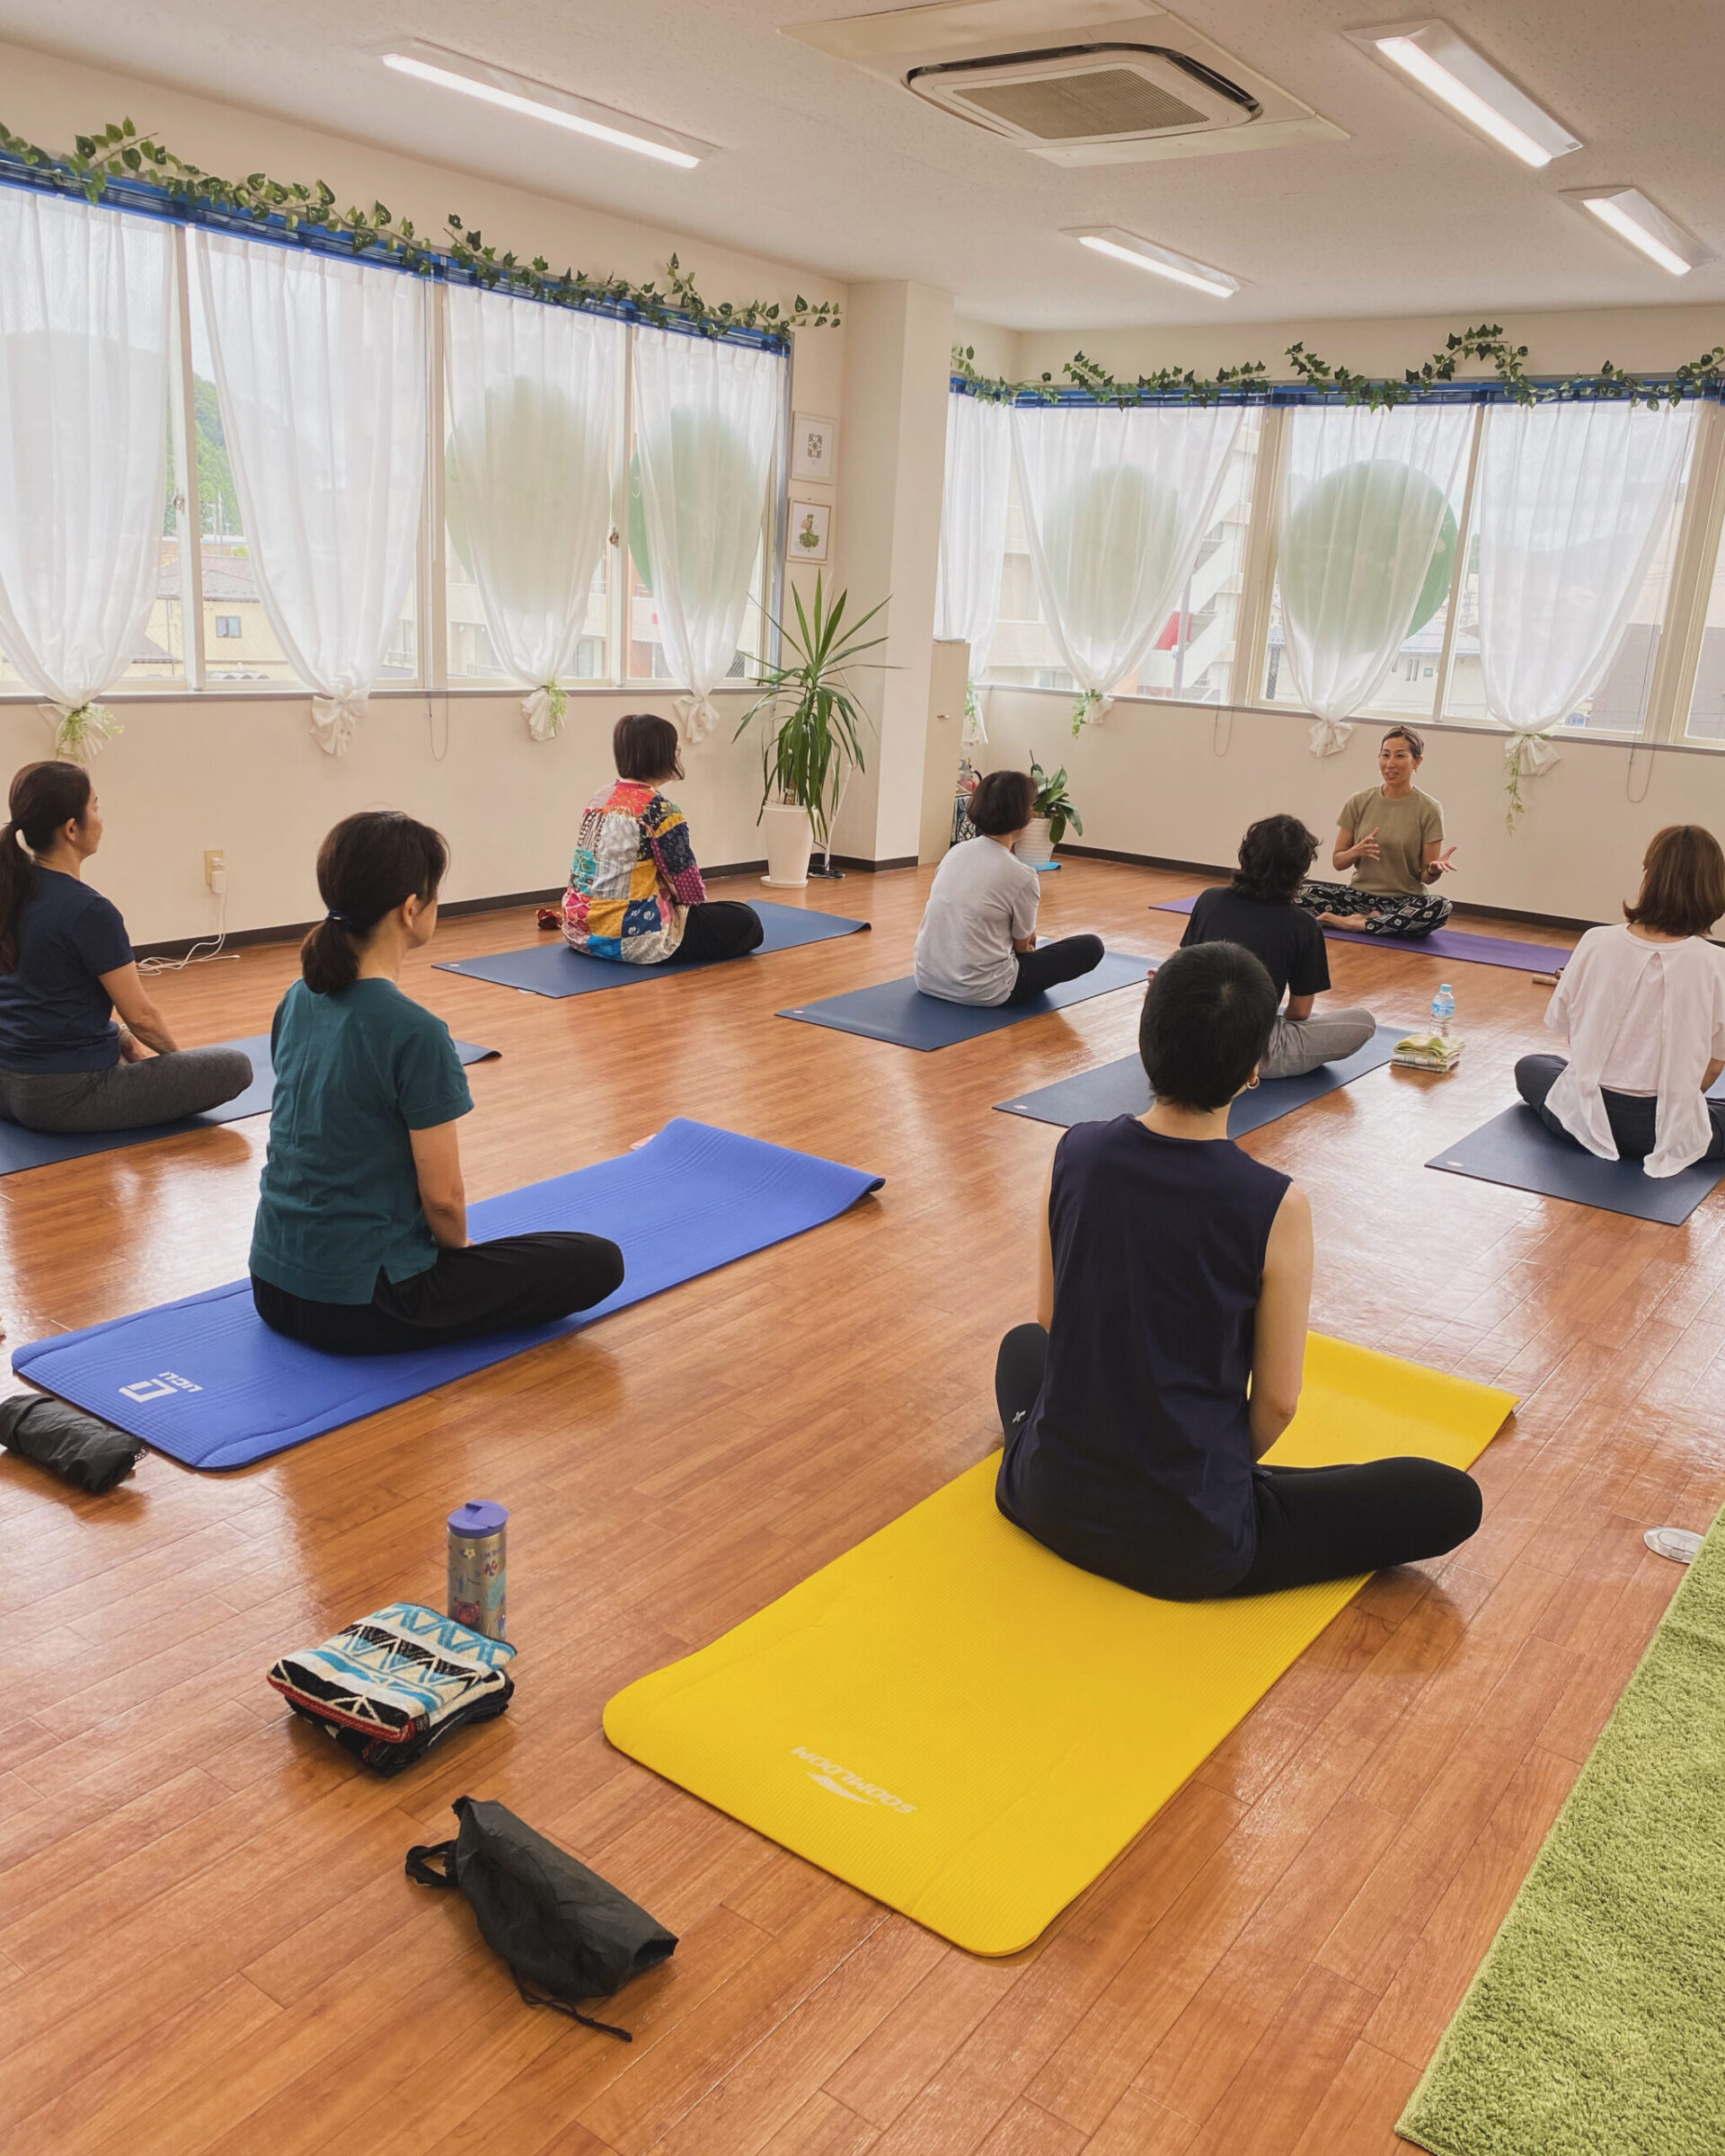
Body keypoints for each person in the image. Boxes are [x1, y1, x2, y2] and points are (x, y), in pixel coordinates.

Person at [993, 941, 1482, 1600]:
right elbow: (1277, 1403)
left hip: (1045, 1498)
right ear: (1256, 1067)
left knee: (1022, 1350)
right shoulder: (1277, 1205)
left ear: (1146, 1040)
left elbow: (1052, 1328)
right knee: (1449, 1499)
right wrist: (1202, 1471)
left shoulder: (1074, 1150)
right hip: (1190, 1544)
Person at [251, 810, 624, 1355]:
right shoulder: (415, 1031)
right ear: (410, 909)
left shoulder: (297, 997)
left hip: (272, 1284)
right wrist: (461, 1253)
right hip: (362, 1306)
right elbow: (444, 1201)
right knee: (597, 1260)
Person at [0, 760, 252, 1133]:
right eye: (96, 808)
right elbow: (142, 1017)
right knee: (236, 1067)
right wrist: (177, 1071)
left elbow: (39, 990)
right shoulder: (89, 910)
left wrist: (118, 1036)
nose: (101, 819)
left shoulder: (10, 891)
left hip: (6, 1085)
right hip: (62, 1096)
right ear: (72, 828)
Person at [1515, 824, 1725, 1179]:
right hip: (1665, 1134)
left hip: (1584, 1119)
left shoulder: (1596, 941)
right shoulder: (1717, 963)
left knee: (1532, 1065)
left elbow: (1572, 1033)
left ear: (1650, 876)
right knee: (1700, 1109)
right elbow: (1714, 1067)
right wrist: (1677, 1103)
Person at [1181, 814, 1376, 1080]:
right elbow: (1299, 1012)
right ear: (1300, 869)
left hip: (1182, 1043)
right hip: (1248, 1054)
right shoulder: (1303, 925)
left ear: (1246, 854)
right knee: (1362, 1021)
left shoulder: (1208, 899)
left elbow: (1180, 971)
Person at [561, 713, 763, 965]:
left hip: (579, 931)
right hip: (635, 938)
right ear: (660, 755)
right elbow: (687, 889)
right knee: (747, 920)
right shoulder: (660, 811)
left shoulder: (599, 799)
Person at [914, 769, 1104, 1006]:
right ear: (1023, 818)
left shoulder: (954, 853)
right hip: (985, 991)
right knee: (1091, 946)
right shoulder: (1021, 874)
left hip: (927, 980)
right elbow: (1023, 947)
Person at [1296, 725, 1458, 939]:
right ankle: (1373, 921)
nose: (1390, 764)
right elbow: (1338, 862)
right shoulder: (1359, 801)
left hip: (1404, 901)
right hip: (1357, 898)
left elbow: (1425, 878)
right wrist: (1355, 851)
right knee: (1297, 895)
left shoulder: (1429, 809)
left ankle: (1354, 924)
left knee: (1441, 907)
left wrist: (1434, 869)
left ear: (1417, 762)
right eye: (1385, 755)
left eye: (1400, 756)